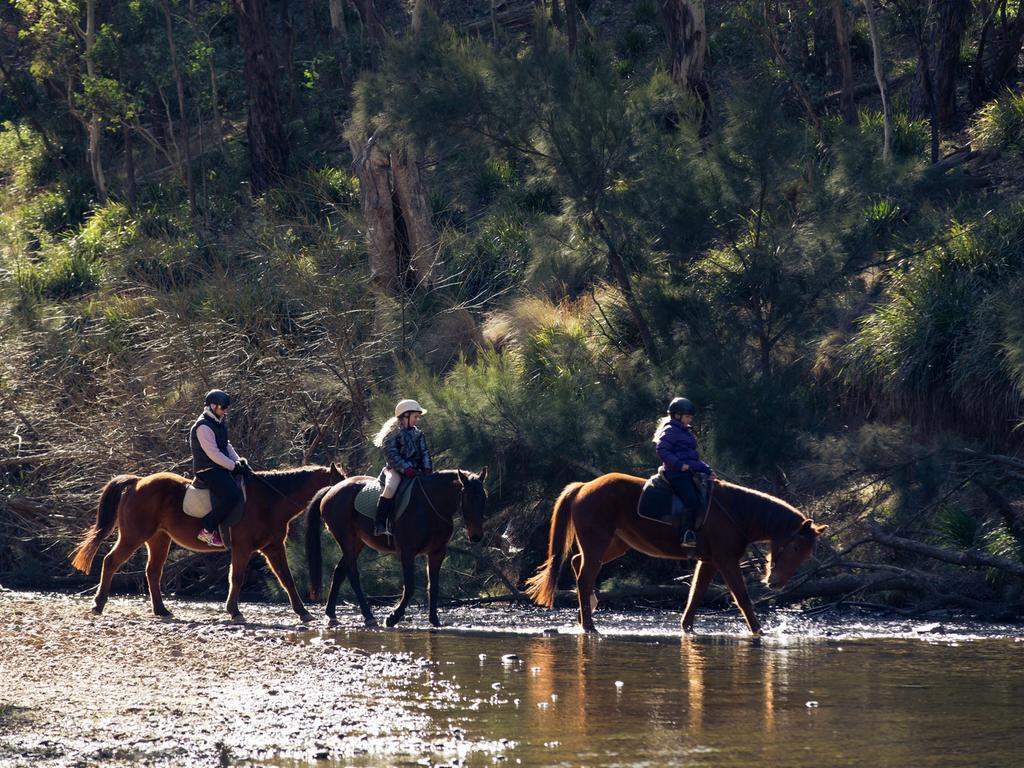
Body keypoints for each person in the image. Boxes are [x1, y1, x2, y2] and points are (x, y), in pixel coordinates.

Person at [189, 389, 253, 547]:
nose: (225, 411)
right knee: (232, 494)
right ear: (212, 406)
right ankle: (207, 530)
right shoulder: (203, 427)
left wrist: (240, 462)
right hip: (208, 470)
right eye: (223, 408)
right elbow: (213, 453)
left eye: (226, 408)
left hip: (219, 466)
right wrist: (233, 466)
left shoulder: (217, 422)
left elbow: (226, 445)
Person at [653, 397, 714, 550]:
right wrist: (679, 465)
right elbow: (662, 450)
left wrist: (707, 470)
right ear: (676, 416)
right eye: (687, 416)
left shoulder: (685, 432)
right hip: (675, 473)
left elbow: (692, 458)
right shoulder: (671, 430)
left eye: (690, 417)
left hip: (687, 472)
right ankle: (686, 534)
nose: (689, 419)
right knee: (691, 499)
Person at [371, 399, 434, 536]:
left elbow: (424, 453)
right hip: (395, 470)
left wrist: (427, 469)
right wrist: (406, 469)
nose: (417, 420)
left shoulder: (418, 433)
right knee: (391, 487)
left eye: (417, 417)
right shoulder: (392, 433)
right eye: (415, 417)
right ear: (406, 415)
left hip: (416, 471)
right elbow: (391, 454)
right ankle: (380, 523)